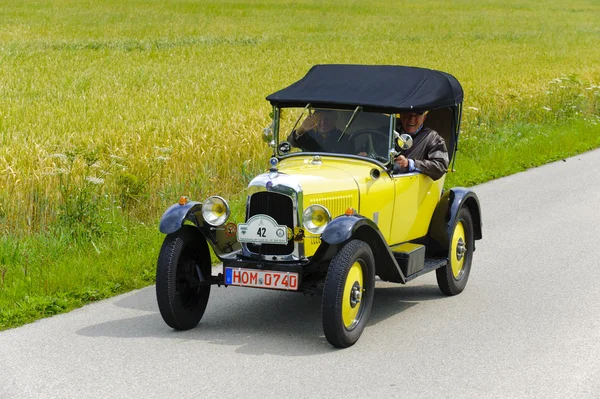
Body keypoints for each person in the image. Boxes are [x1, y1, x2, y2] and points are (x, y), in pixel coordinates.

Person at [394, 111, 449, 181]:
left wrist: (410, 163)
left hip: (413, 187)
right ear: (401, 115)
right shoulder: (389, 130)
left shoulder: (433, 138)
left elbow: (441, 166)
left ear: (424, 118)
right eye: (408, 114)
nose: (411, 119)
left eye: (417, 115)